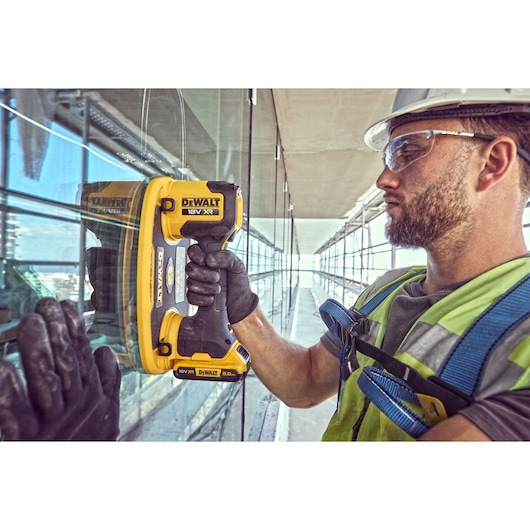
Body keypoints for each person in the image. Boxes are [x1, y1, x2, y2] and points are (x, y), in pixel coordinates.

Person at [186, 88, 530, 441]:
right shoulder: (386, 290)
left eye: (407, 151)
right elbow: (304, 383)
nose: (383, 179)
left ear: (492, 163)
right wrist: (242, 308)